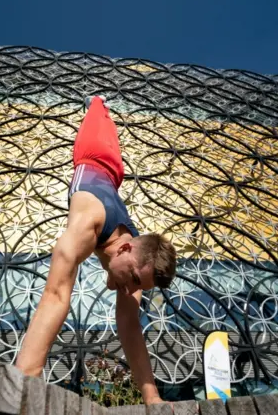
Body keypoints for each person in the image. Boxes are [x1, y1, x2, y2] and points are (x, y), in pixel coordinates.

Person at [15, 95, 177, 405]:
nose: (130, 288)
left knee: (129, 308)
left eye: (135, 284)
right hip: (93, 154)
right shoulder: (87, 224)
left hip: (113, 177)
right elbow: (56, 295)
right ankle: (99, 101)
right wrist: (26, 378)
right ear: (126, 247)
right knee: (98, 111)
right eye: (131, 278)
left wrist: (152, 397)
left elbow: (130, 327)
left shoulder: (134, 264)